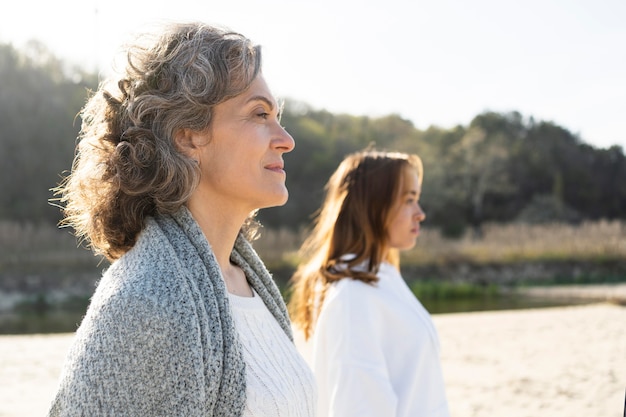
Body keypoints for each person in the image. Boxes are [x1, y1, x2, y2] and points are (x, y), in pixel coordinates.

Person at [47, 21, 315, 417]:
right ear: (187, 135)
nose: (286, 139)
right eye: (259, 114)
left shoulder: (245, 282)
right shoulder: (146, 301)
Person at [288, 149, 450, 417]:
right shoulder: (353, 296)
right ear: (374, 205)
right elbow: (358, 407)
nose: (420, 213)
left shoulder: (382, 279)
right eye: (409, 200)